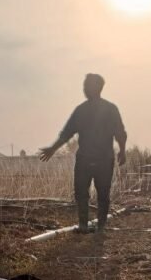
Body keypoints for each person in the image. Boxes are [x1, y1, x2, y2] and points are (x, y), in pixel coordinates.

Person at [39, 74, 127, 233]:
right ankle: (83, 225)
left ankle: (100, 227)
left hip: (103, 159)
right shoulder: (81, 110)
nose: (84, 89)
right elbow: (66, 133)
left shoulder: (110, 109)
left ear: (97, 88)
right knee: (81, 192)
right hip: (85, 159)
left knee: (103, 193)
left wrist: (123, 150)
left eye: (87, 85)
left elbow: (120, 133)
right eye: (84, 85)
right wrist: (52, 148)